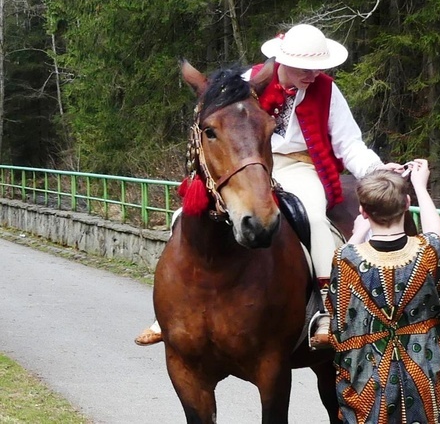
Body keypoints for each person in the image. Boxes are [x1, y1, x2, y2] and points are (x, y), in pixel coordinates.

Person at [134, 23, 401, 346]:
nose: (313, 75)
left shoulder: (328, 91)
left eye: (318, 68)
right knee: (185, 216)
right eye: (305, 68)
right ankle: (170, 309)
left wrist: (377, 169)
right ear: (284, 60)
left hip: (300, 166)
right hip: (245, 164)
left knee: (315, 218)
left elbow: (349, 144)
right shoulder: (246, 84)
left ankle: (328, 310)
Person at [325, 160, 440, 423]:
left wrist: (359, 232)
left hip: (369, 388)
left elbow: (337, 309)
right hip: (423, 381)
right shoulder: (426, 253)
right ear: (407, 204)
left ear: (363, 211)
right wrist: (420, 187)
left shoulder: (347, 258)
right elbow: (434, 233)